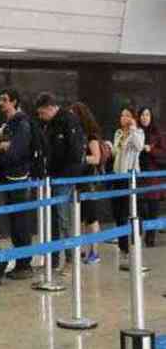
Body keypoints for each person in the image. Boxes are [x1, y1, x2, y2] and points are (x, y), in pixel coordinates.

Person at [34, 92, 86, 273]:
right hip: (53, 177)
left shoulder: (69, 121)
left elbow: (74, 152)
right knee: (54, 220)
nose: (41, 117)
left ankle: (72, 259)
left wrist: (66, 174)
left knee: (64, 218)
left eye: (42, 113)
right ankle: (54, 259)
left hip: (65, 176)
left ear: (50, 107)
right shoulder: (49, 124)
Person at [0, 88, 36, 280]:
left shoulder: (22, 124)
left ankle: (24, 264)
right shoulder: (10, 124)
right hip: (10, 179)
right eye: (0, 99)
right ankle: (20, 262)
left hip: (19, 179)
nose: (1, 103)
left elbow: (16, 151)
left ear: (14, 102)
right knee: (15, 221)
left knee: (20, 222)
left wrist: (2, 147)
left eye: (5, 100)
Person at [68, 103, 104, 264]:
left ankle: (94, 252)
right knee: (80, 216)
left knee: (91, 217)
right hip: (78, 180)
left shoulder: (91, 137)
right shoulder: (76, 135)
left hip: (89, 181)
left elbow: (96, 158)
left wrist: (80, 159)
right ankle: (82, 249)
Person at [112, 105, 145, 266]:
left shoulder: (138, 133)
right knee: (118, 213)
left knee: (130, 211)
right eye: (121, 115)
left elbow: (139, 147)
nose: (123, 118)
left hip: (130, 175)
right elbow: (115, 153)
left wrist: (132, 130)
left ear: (133, 118)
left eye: (127, 115)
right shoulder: (118, 133)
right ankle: (123, 247)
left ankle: (134, 247)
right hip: (117, 175)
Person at [138, 107, 165, 247]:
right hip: (138, 176)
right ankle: (142, 234)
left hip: (153, 177)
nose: (144, 117)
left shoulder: (157, 133)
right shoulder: (136, 132)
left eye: (147, 114)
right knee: (141, 208)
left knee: (152, 208)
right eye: (142, 115)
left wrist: (151, 150)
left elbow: (164, 154)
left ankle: (150, 239)